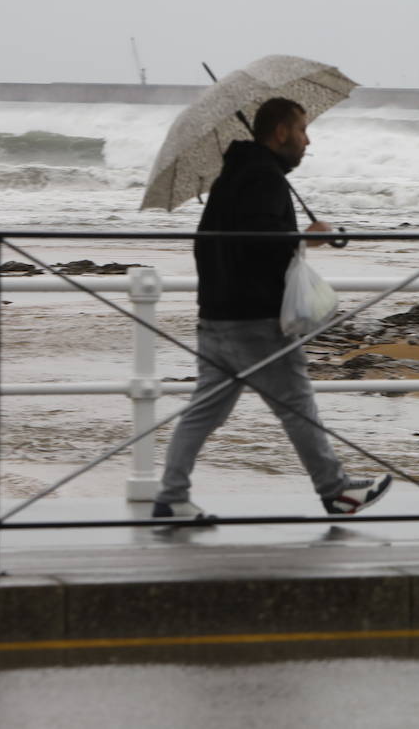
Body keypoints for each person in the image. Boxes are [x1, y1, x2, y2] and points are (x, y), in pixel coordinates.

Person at [153, 97, 392, 521]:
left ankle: (171, 497)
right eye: (301, 130)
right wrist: (306, 239)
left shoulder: (231, 178)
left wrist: (298, 237)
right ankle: (335, 490)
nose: (307, 139)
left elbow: (214, 243)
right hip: (255, 319)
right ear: (280, 131)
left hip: (217, 315)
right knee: (296, 403)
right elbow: (261, 243)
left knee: (204, 411)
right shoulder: (264, 179)